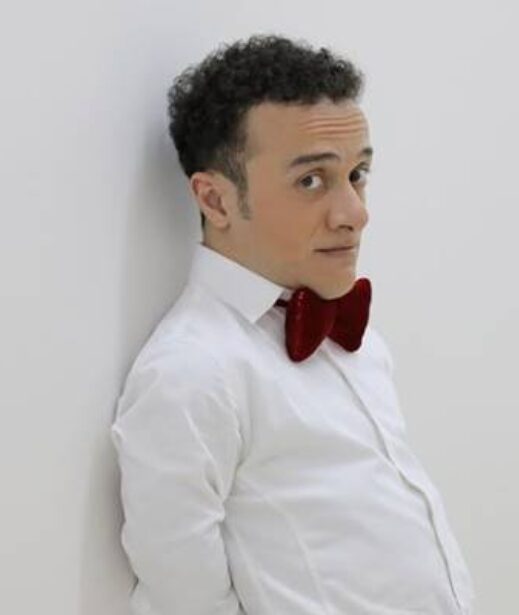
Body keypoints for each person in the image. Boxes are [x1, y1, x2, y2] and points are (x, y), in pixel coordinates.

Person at [110, 34, 476, 615]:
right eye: (311, 180)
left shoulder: (356, 341)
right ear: (216, 201)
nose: (355, 213)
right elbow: (184, 600)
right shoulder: (191, 374)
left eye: (358, 174)